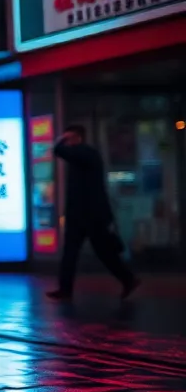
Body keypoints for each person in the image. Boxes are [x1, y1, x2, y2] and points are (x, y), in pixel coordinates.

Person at [48, 124, 139, 301]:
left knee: (102, 252)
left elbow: (59, 150)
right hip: (83, 215)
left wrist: (61, 141)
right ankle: (65, 289)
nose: (68, 141)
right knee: (73, 253)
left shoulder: (86, 153)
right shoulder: (81, 156)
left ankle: (128, 279)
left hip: (91, 216)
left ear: (79, 138)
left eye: (70, 138)